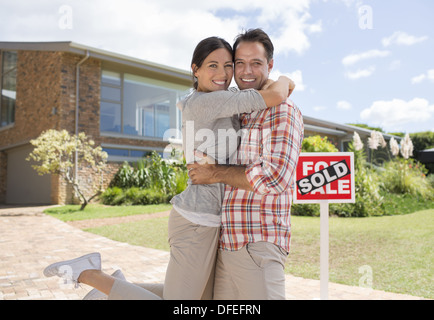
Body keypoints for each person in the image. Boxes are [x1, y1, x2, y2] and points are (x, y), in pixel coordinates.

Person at [43, 36, 295, 300]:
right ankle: (91, 275)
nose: (223, 73)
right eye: (212, 66)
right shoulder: (203, 103)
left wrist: (284, 79)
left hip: (214, 223)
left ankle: (115, 288)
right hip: (196, 219)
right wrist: (284, 80)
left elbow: (275, 91)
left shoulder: (228, 97)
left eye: (228, 65)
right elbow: (276, 94)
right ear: (195, 70)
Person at [187, 28, 304, 300]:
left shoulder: (281, 110)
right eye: (239, 63)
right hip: (228, 243)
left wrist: (215, 172)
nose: (246, 71)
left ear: (270, 65)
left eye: (256, 63)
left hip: (257, 243)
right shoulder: (241, 110)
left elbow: (273, 178)